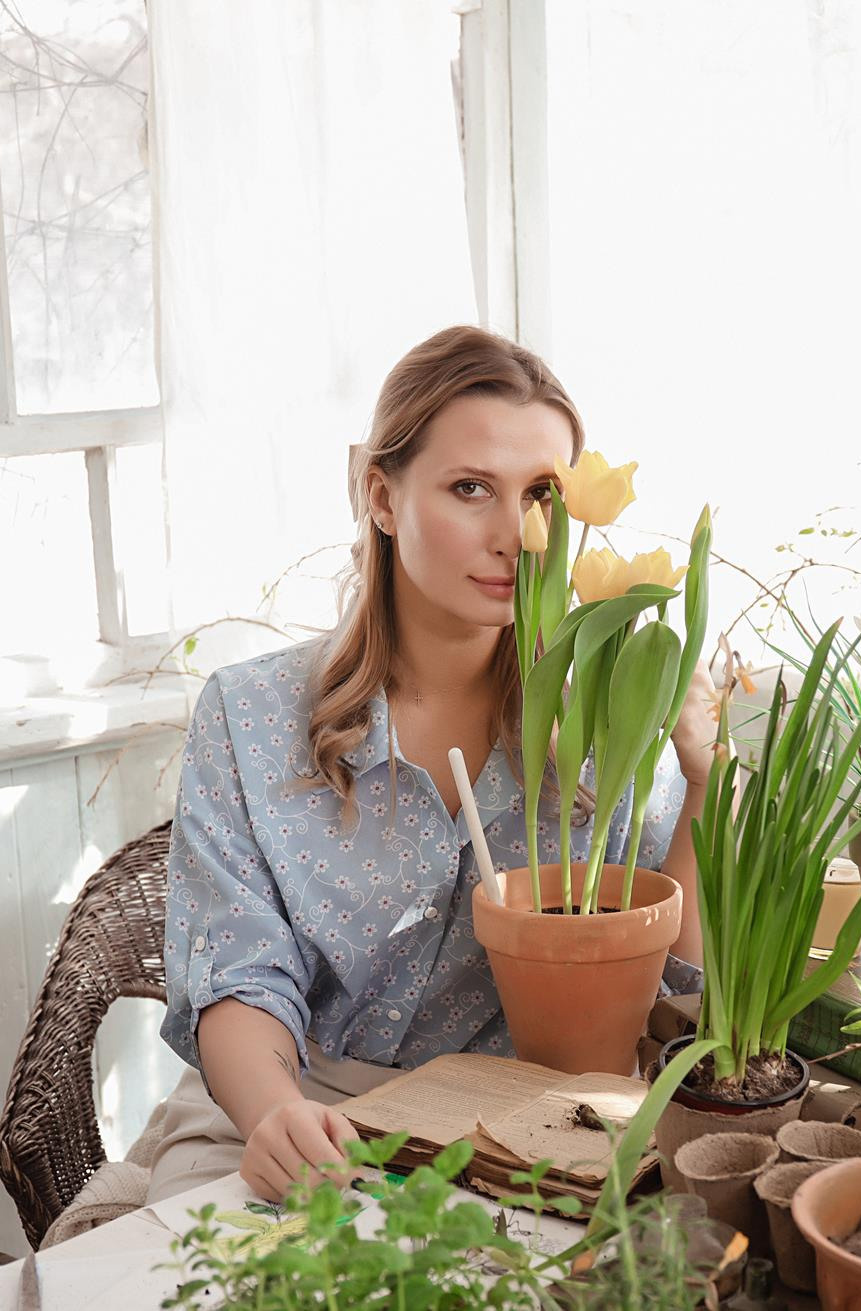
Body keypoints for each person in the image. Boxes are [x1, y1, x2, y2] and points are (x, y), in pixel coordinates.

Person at [149, 325, 719, 1203]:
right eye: (469, 489)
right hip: (284, 1108)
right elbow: (238, 972)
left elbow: (667, 981)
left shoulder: (613, 713)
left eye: (539, 496)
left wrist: (706, 784)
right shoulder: (249, 714)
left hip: (513, 1134)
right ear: (381, 495)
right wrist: (275, 1115)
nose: (512, 533)